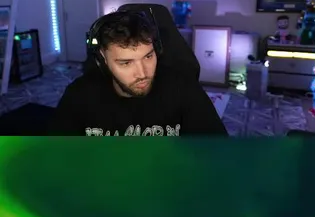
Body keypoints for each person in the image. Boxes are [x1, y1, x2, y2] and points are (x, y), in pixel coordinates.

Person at [47, 9, 228, 136]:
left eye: (148, 56)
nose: (142, 73)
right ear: (102, 58)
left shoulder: (184, 89)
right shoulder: (79, 95)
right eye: (126, 63)